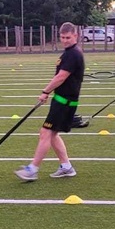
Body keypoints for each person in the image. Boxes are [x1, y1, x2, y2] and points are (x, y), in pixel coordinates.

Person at [15, 22, 85, 181]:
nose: (65, 40)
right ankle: (66, 167)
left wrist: (45, 92)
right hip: (61, 100)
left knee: (46, 132)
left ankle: (32, 169)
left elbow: (61, 77)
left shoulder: (73, 54)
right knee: (51, 134)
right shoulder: (69, 53)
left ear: (76, 36)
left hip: (65, 102)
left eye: (68, 37)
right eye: (62, 37)